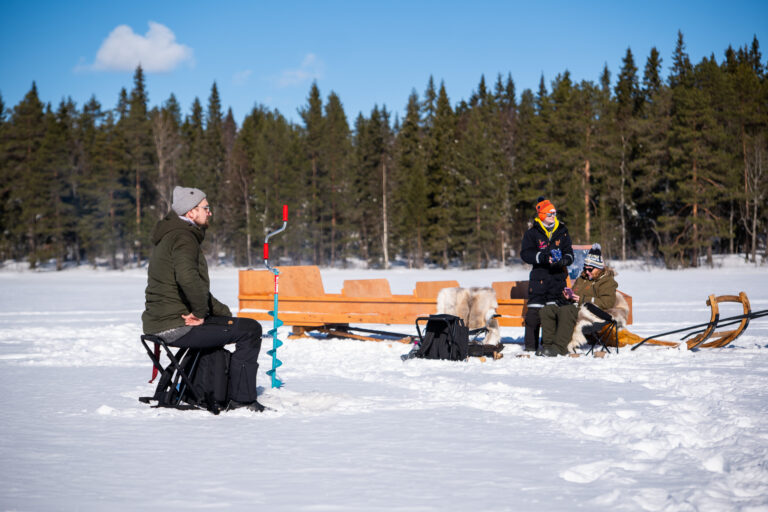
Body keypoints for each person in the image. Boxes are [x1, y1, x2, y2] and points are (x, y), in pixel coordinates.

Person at [142, 186, 264, 411]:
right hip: (175, 324)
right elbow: (188, 279)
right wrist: (199, 314)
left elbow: (195, 288)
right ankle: (242, 400)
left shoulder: (174, 235)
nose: (210, 212)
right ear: (191, 212)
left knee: (235, 324)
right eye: (205, 208)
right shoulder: (183, 237)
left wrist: (222, 312)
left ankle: (213, 388)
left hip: (163, 321)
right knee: (250, 330)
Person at [520, 197, 574, 353]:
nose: (553, 216)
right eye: (550, 213)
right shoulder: (532, 233)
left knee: (554, 314)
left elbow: (570, 254)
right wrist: (542, 257)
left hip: (557, 280)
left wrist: (564, 260)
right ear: (542, 215)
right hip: (539, 279)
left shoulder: (562, 231)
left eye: (554, 213)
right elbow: (525, 254)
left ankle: (549, 347)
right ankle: (530, 348)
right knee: (533, 316)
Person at [565, 244, 627, 353]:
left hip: (597, 312)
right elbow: (575, 294)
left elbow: (607, 302)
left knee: (567, 313)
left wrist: (582, 299)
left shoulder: (607, 281)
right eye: (585, 268)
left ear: (598, 268)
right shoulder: (582, 278)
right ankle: (554, 343)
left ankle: (563, 345)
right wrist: (569, 296)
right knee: (557, 310)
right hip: (576, 307)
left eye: (590, 269)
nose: (586, 271)